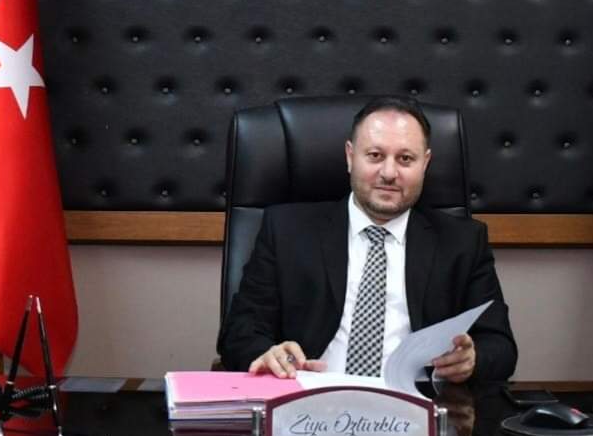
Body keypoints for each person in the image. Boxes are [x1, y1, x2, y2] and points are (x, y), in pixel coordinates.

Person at [218, 96, 517, 383]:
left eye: (405, 159)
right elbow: (239, 332)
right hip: (308, 402)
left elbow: (500, 347)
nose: (389, 173)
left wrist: (472, 359)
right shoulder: (286, 230)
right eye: (375, 156)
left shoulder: (463, 242)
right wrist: (268, 353)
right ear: (350, 156)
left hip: (416, 406)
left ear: (425, 163)